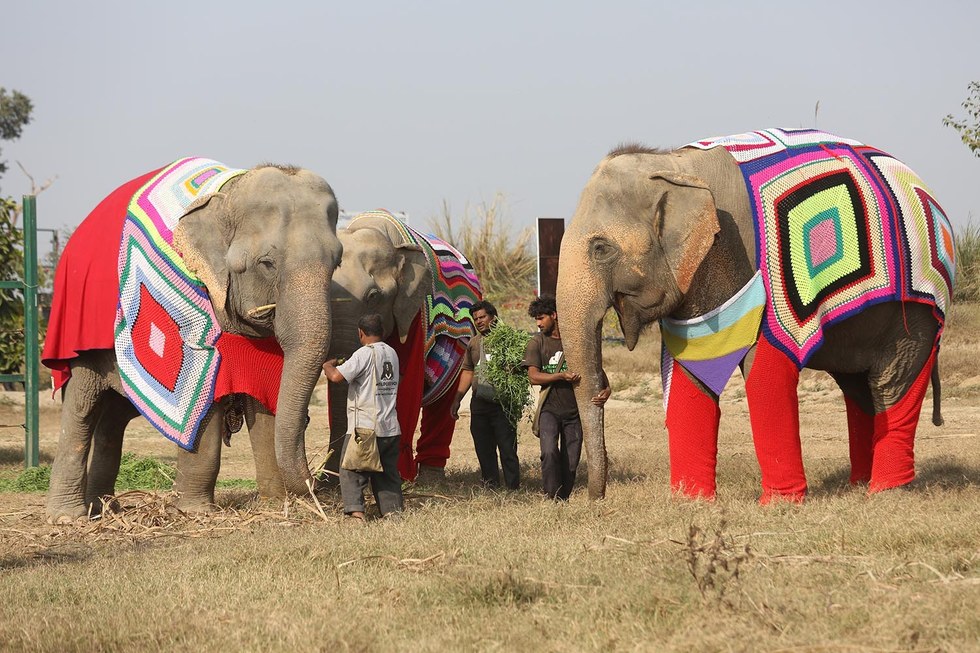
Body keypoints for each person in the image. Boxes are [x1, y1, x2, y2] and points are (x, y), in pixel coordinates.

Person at [523, 295, 610, 500]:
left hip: (575, 412)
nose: (538, 323)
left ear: (554, 315)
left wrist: (607, 391)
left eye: (541, 317)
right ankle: (551, 497)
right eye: (536, 318)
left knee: (571, 460)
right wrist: (560, 375)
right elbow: (533, 377)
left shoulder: (576, 342)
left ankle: (563, 498)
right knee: (549, 452)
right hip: (549, 410)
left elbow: (597, 372)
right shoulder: (536, 342)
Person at [322, 313, 403, 521]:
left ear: (360, 333)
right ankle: (392, 513)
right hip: (390, 427)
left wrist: (328, 365)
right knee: (387, 474)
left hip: (365, 428)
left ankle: (356, 514)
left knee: (350, 470)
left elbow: (336, 377)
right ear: (382, 332)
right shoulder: (392, 353)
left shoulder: (364, 354)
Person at [450, 300, 520, 490]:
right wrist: (457, 399)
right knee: (483, 448)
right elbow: (467, 371)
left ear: (493, 317)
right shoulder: (474, 342)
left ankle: (513, 487)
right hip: (479, 404)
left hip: (503, 405)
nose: (479, 322)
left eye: (482, 317)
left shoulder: (507, 339)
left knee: (507, 448)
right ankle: (491, 485)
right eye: (475, 319)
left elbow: (520, 368)